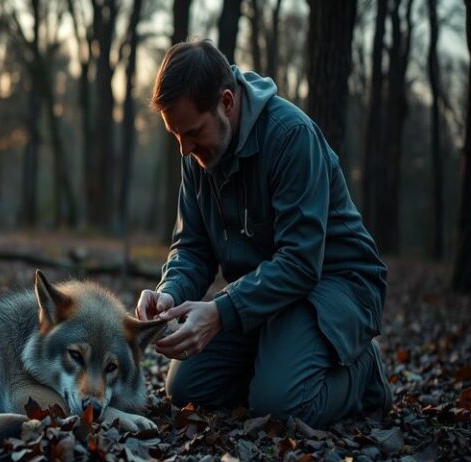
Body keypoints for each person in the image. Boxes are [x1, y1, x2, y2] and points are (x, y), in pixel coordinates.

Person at [135, 40, 392, 427]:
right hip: (268, 300)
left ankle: (364, 372)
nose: (184, 150)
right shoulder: (197, 155)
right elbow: (192, 247)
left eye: (191, 132)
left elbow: (302, 263)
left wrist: (222, 312)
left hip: (336, 287)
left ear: (226, 102)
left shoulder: (291, 137)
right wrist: (170, 292)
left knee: (281, 408)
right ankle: (280, 362)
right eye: (175, 136)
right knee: (187, 389)